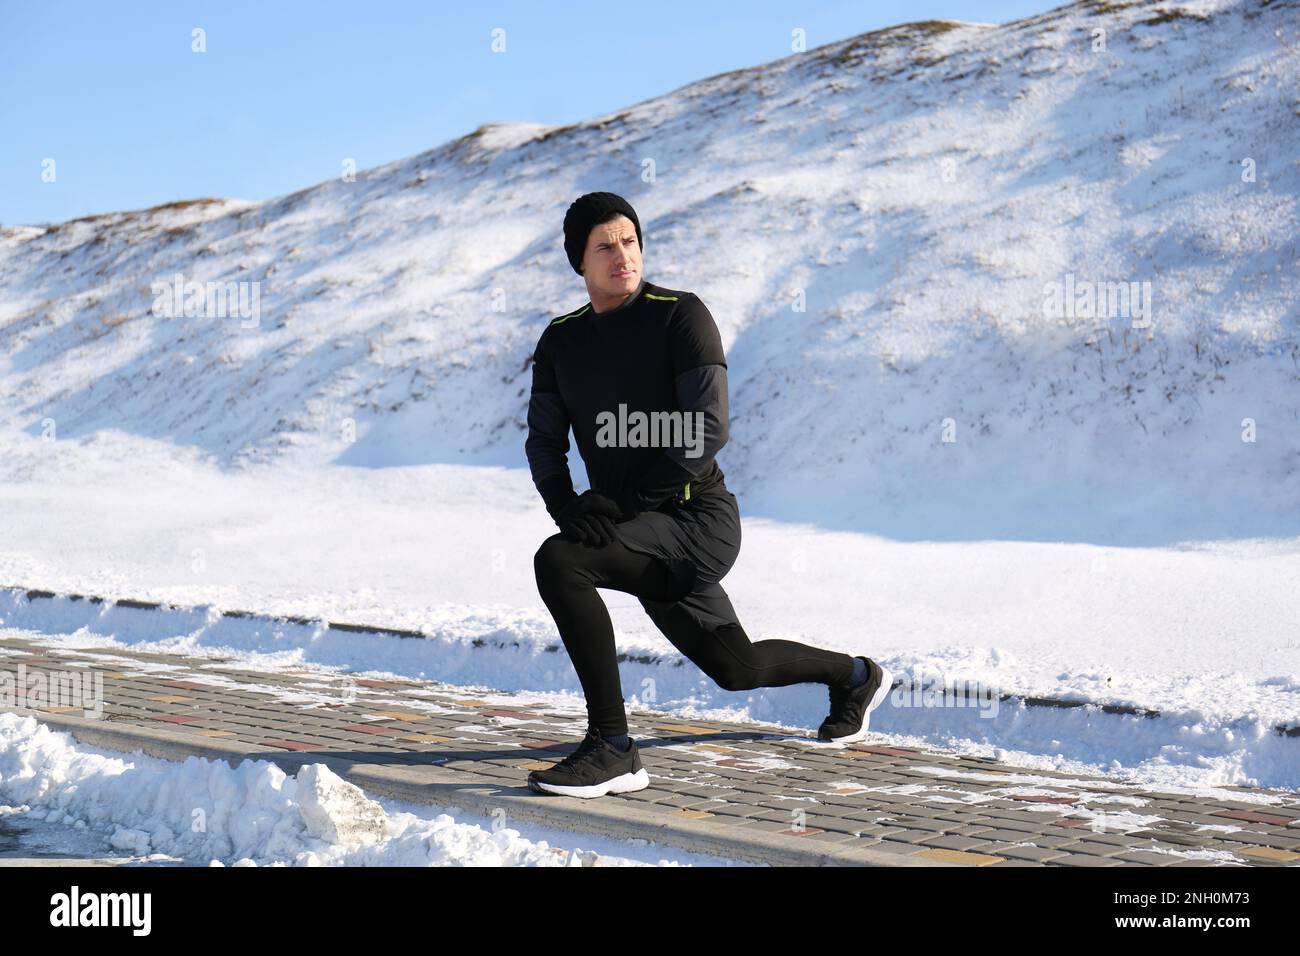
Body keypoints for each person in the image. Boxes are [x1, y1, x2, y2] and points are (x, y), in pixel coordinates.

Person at [523, 191, 892, 798]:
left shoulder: (680, 315)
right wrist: (569, 507)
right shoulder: (562, 341)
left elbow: (706, 429)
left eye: (630, 240)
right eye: (605, 246)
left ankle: (613, 748)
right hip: (635, 531)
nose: (623, 255)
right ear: (579, 262)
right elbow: (543, 442)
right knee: (736, 668)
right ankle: (854, 676)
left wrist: (623, 506)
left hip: (696, 522)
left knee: (560, 561)